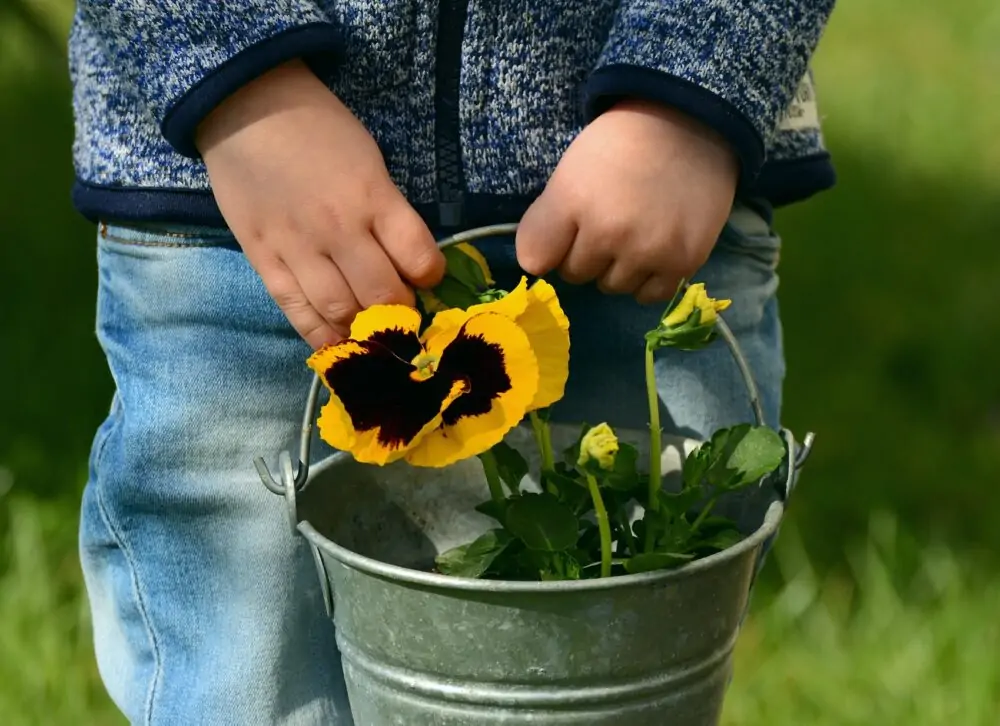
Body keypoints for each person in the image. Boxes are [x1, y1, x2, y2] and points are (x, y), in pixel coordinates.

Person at [70, 2, 836, 723]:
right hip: (249, 194)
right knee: (248, 680)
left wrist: (695, 83)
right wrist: (236, 76)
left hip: (651, 190)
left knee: (625, 662)